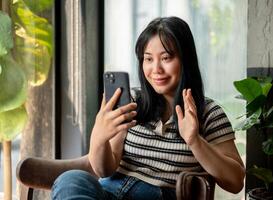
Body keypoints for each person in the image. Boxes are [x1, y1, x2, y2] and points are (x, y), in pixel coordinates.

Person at [51, 16, 245, 200]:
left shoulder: (209, 113)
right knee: (70, 180)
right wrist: (99, 137)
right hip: (110, 190)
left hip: (159, 195)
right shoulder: (132, 101)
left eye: (166, 58)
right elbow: (104, 171)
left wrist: (195, 141)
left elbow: (235, 182)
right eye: (148, 59)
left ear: (185, 60)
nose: (156, 69)